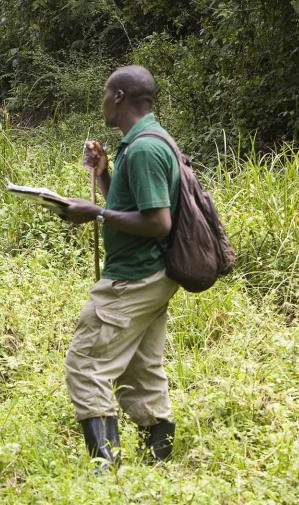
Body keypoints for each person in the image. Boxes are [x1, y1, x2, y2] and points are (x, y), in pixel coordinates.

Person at [60, 65, 180, 467]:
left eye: (105, 93)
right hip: (152, 274)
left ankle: (106, 470)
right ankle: (157, 463)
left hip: (134, 276)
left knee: (86, 365)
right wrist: (105, 175)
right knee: (139, 369)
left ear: (119, 97)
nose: (103, 100)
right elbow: (131, 206)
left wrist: (94, 212)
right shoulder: (144, 141)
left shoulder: (145, 148)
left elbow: (158, 222)